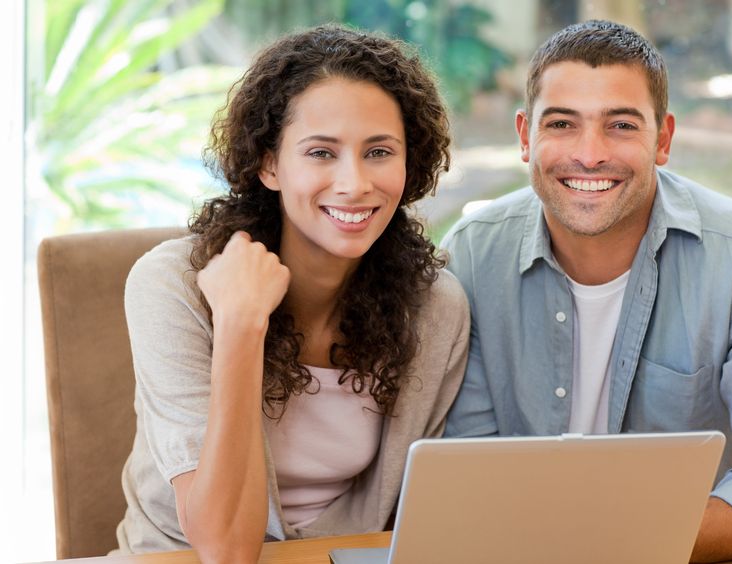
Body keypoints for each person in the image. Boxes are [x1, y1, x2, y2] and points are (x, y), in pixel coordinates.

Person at [442, 19, 732, 562]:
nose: (589, 154)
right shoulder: (472, 253)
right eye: (562, 123)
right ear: (524, 136)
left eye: (621, 126)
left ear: (663, 140)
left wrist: (622, 541)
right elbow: (463, 468)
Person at [115, 25, 469, 562]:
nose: (354, 183)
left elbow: (415, 522)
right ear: (269, 164)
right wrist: (240, 324)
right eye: (321, 153)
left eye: (378, 151)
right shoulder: (173, 286)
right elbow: (225, 550)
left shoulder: (434, 306)